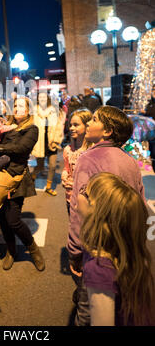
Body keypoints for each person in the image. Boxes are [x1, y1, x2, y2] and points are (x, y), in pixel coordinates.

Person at [67, 105, 146, 326]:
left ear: (107, 131)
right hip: (126, 244)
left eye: (94, 120)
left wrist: (74, 250)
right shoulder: (130, 161)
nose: (89, 124)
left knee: (88, 311)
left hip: (98, 245)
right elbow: (139, 205)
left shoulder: (88, 158)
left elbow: (78, 211)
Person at [78, 172, 155, 326]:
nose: (79, 192)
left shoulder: (99, 267)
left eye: (85, 191)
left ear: (96, 211)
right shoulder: (124, 249)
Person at [0, 97, 45, 272]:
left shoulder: (31, 129)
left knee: (14, 220)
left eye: (22, 106)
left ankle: (33, 248)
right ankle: (11, 250)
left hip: (16, 179)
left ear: (28, 110)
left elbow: (20, 149)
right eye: (15, 105)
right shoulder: (4, 127)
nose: (17, 108)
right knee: (2, 217)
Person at [31, 92, 65, 196]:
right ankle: (30, 180)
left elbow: (59, 127)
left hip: (52, 142)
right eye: (40, 97)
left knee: (53, 166)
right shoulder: (34, 111)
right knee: (39, 167)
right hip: (40, 143)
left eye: (44, 97)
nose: (42, 99)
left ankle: (49, 187)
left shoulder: (53, 111)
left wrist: (57, 140)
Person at [61, 108, 93, 216]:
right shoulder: (68, 150)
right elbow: (66, 168)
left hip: (88, 201)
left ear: (87, 126)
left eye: (76, 125)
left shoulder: (93, 151)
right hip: (70, 197)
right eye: (70, 125)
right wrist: (64, 175)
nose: (71, 128)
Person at [143, 84, 155, 172]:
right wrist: (144, 113)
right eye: (153, 90)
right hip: (151, 134)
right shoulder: (150, 103)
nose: (154, 92)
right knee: (153, 154)